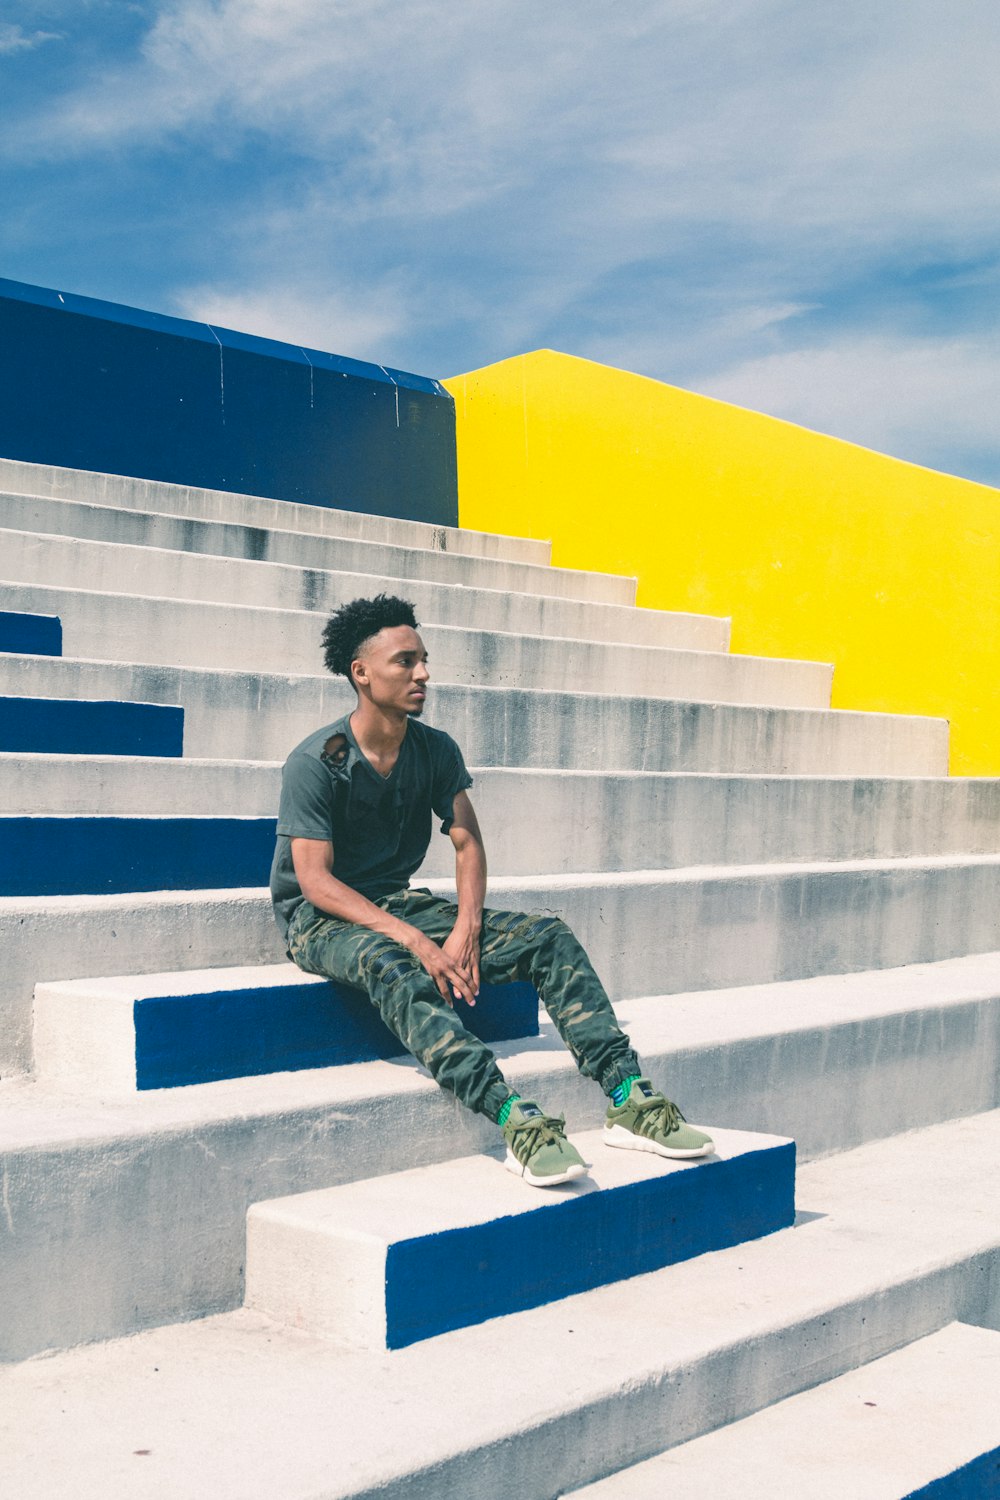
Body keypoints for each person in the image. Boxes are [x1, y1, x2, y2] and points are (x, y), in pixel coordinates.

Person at [270, 594, 713, 1187]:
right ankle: (512, 1117)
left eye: (424, 659)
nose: (423, 673)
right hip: (320, 920)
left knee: (546, 936)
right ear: (361, 673)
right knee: (391, 959)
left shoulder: (434, 749)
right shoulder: (317, 762)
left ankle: (627, 1097)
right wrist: (417, 941)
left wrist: (465, 928)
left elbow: (466, 842)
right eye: (405, 662)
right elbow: (316, 881)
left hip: (395, 901)